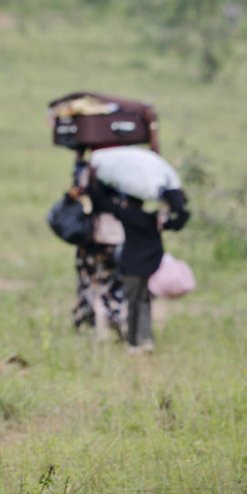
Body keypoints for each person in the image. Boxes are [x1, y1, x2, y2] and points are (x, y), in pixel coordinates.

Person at [94, 188, 188, 353]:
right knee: (145, 302)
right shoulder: (153, 218)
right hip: (151, 267)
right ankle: (145, 339)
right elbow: (179, 222)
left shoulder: (127, 216)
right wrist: (175, 200)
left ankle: (133, 343)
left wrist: (97, 185)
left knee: (132, 303)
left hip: (132, 268)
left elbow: (102, 203)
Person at [68, 151, 129, 342]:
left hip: (92, 237)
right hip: (116, 236)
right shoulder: (125, 172)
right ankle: (114, 317)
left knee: (88, 281)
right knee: (112, 283)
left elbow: (76, 193)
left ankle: (87, 322)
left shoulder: (87, 172)